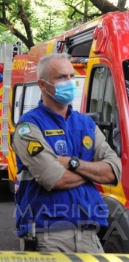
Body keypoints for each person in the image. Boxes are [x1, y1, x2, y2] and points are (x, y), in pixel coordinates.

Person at [12, 53, 122, 253]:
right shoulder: (28, 127)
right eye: (61, 77)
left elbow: (114, 172)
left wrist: (73, 163)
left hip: (89, 233)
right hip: (47, 235)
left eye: (72, 76)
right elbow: (55, 179)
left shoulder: (86, 124)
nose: (70, 82)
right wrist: (92, 172)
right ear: (43, 85)